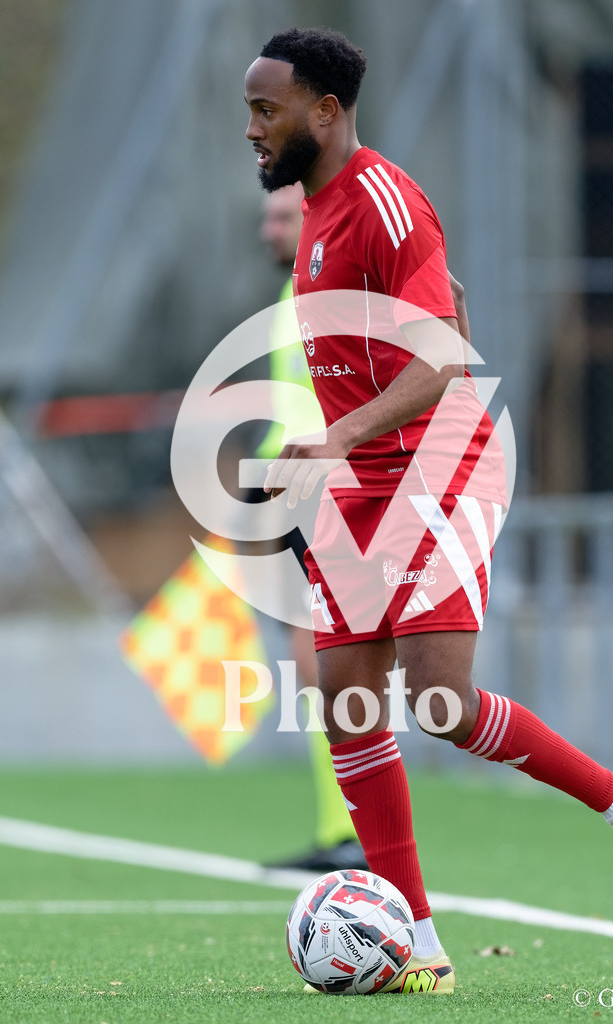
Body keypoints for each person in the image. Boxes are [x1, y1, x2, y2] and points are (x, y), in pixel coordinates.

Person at [244, 27, 613, 995]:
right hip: (362, 476)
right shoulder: (315, 213)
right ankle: (422, 949)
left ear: (325, 110)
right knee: (348, 699)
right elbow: (438, 312)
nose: (252, 129)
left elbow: (443, 358)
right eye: (248, 111)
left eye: (265, 109)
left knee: (438, 700)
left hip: (438, 465)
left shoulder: (386, 202)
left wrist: (338, 436)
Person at [253, 183, 366, 871]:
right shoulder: (292, 298)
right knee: (314, 667)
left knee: (327, 663)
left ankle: (352, 832)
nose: (267, 229)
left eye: (280, 218)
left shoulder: (329, 298)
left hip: (324, 494)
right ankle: (339, 831)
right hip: (293, 495)